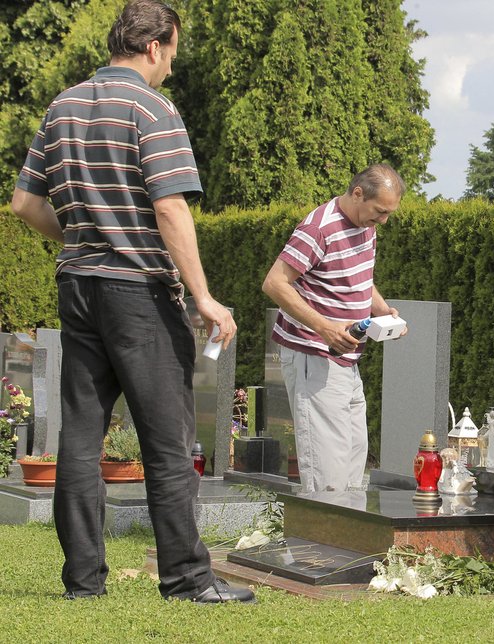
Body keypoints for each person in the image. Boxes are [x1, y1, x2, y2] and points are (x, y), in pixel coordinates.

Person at [10, 0, 254, 603]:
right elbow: (171, 207)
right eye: (172, 51)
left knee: (81, 438)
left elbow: (23, 204)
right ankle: (188, 580)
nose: (172, 64)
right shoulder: (152, 107)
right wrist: (203, 297)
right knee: (168, 440)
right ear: (156, 45)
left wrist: (84, 237)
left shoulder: (62, 105)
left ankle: (83, 581)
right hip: (139, 291)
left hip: (78, 287)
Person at [262, 164, 407, 494]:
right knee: (327, 476)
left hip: (347, 359)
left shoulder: (364, 226)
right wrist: (326, 329)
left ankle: (350, 544)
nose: (384, 220)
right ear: (358, 194)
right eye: (380, 211)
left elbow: (358, 279)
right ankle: (320, 544)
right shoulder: (318, 229)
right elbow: (274, 283)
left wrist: (381, 309)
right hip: (314, 354)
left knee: (354, 464)